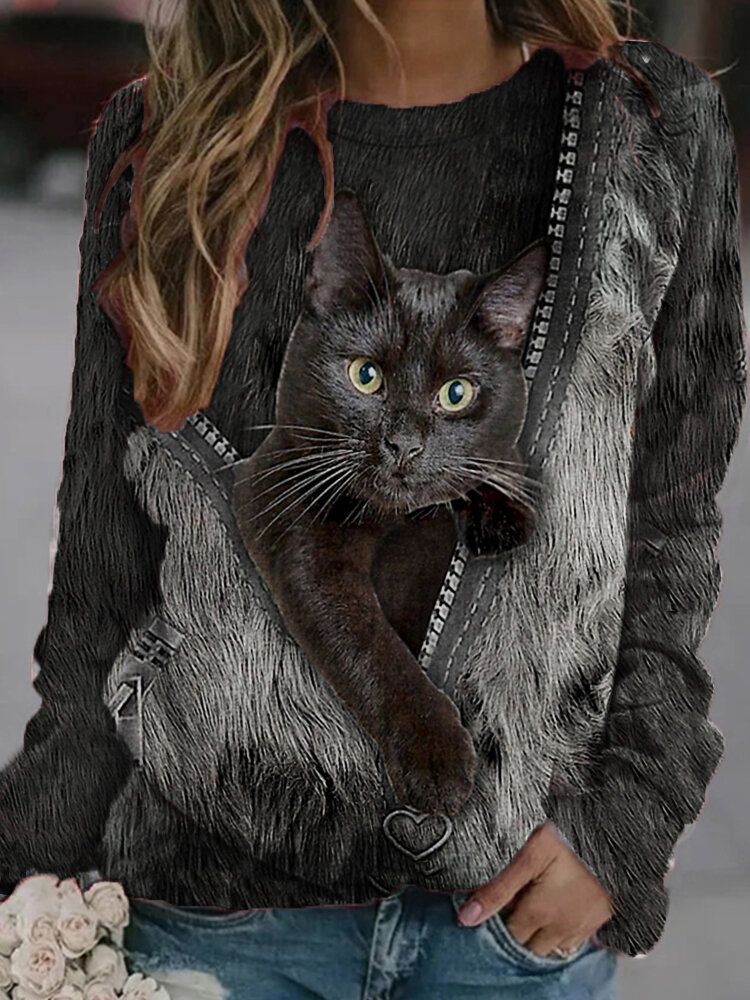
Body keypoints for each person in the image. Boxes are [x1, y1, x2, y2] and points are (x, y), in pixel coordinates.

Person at [1, 1, 746, 998]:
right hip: (206, 927)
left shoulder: (649, 128)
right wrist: (25, 875)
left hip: (507, 935)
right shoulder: (170, 137)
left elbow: (672, 520)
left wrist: (625, 824)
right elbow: (102, 574)